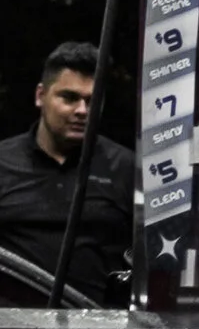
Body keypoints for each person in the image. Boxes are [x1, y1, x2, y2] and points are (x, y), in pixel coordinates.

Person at [0, 41, 136, 304]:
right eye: (69, 98)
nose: (82, 111)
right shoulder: (3, 162)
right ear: (41, 96)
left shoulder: (126, 168)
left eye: (92, 100)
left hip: (95, 328)